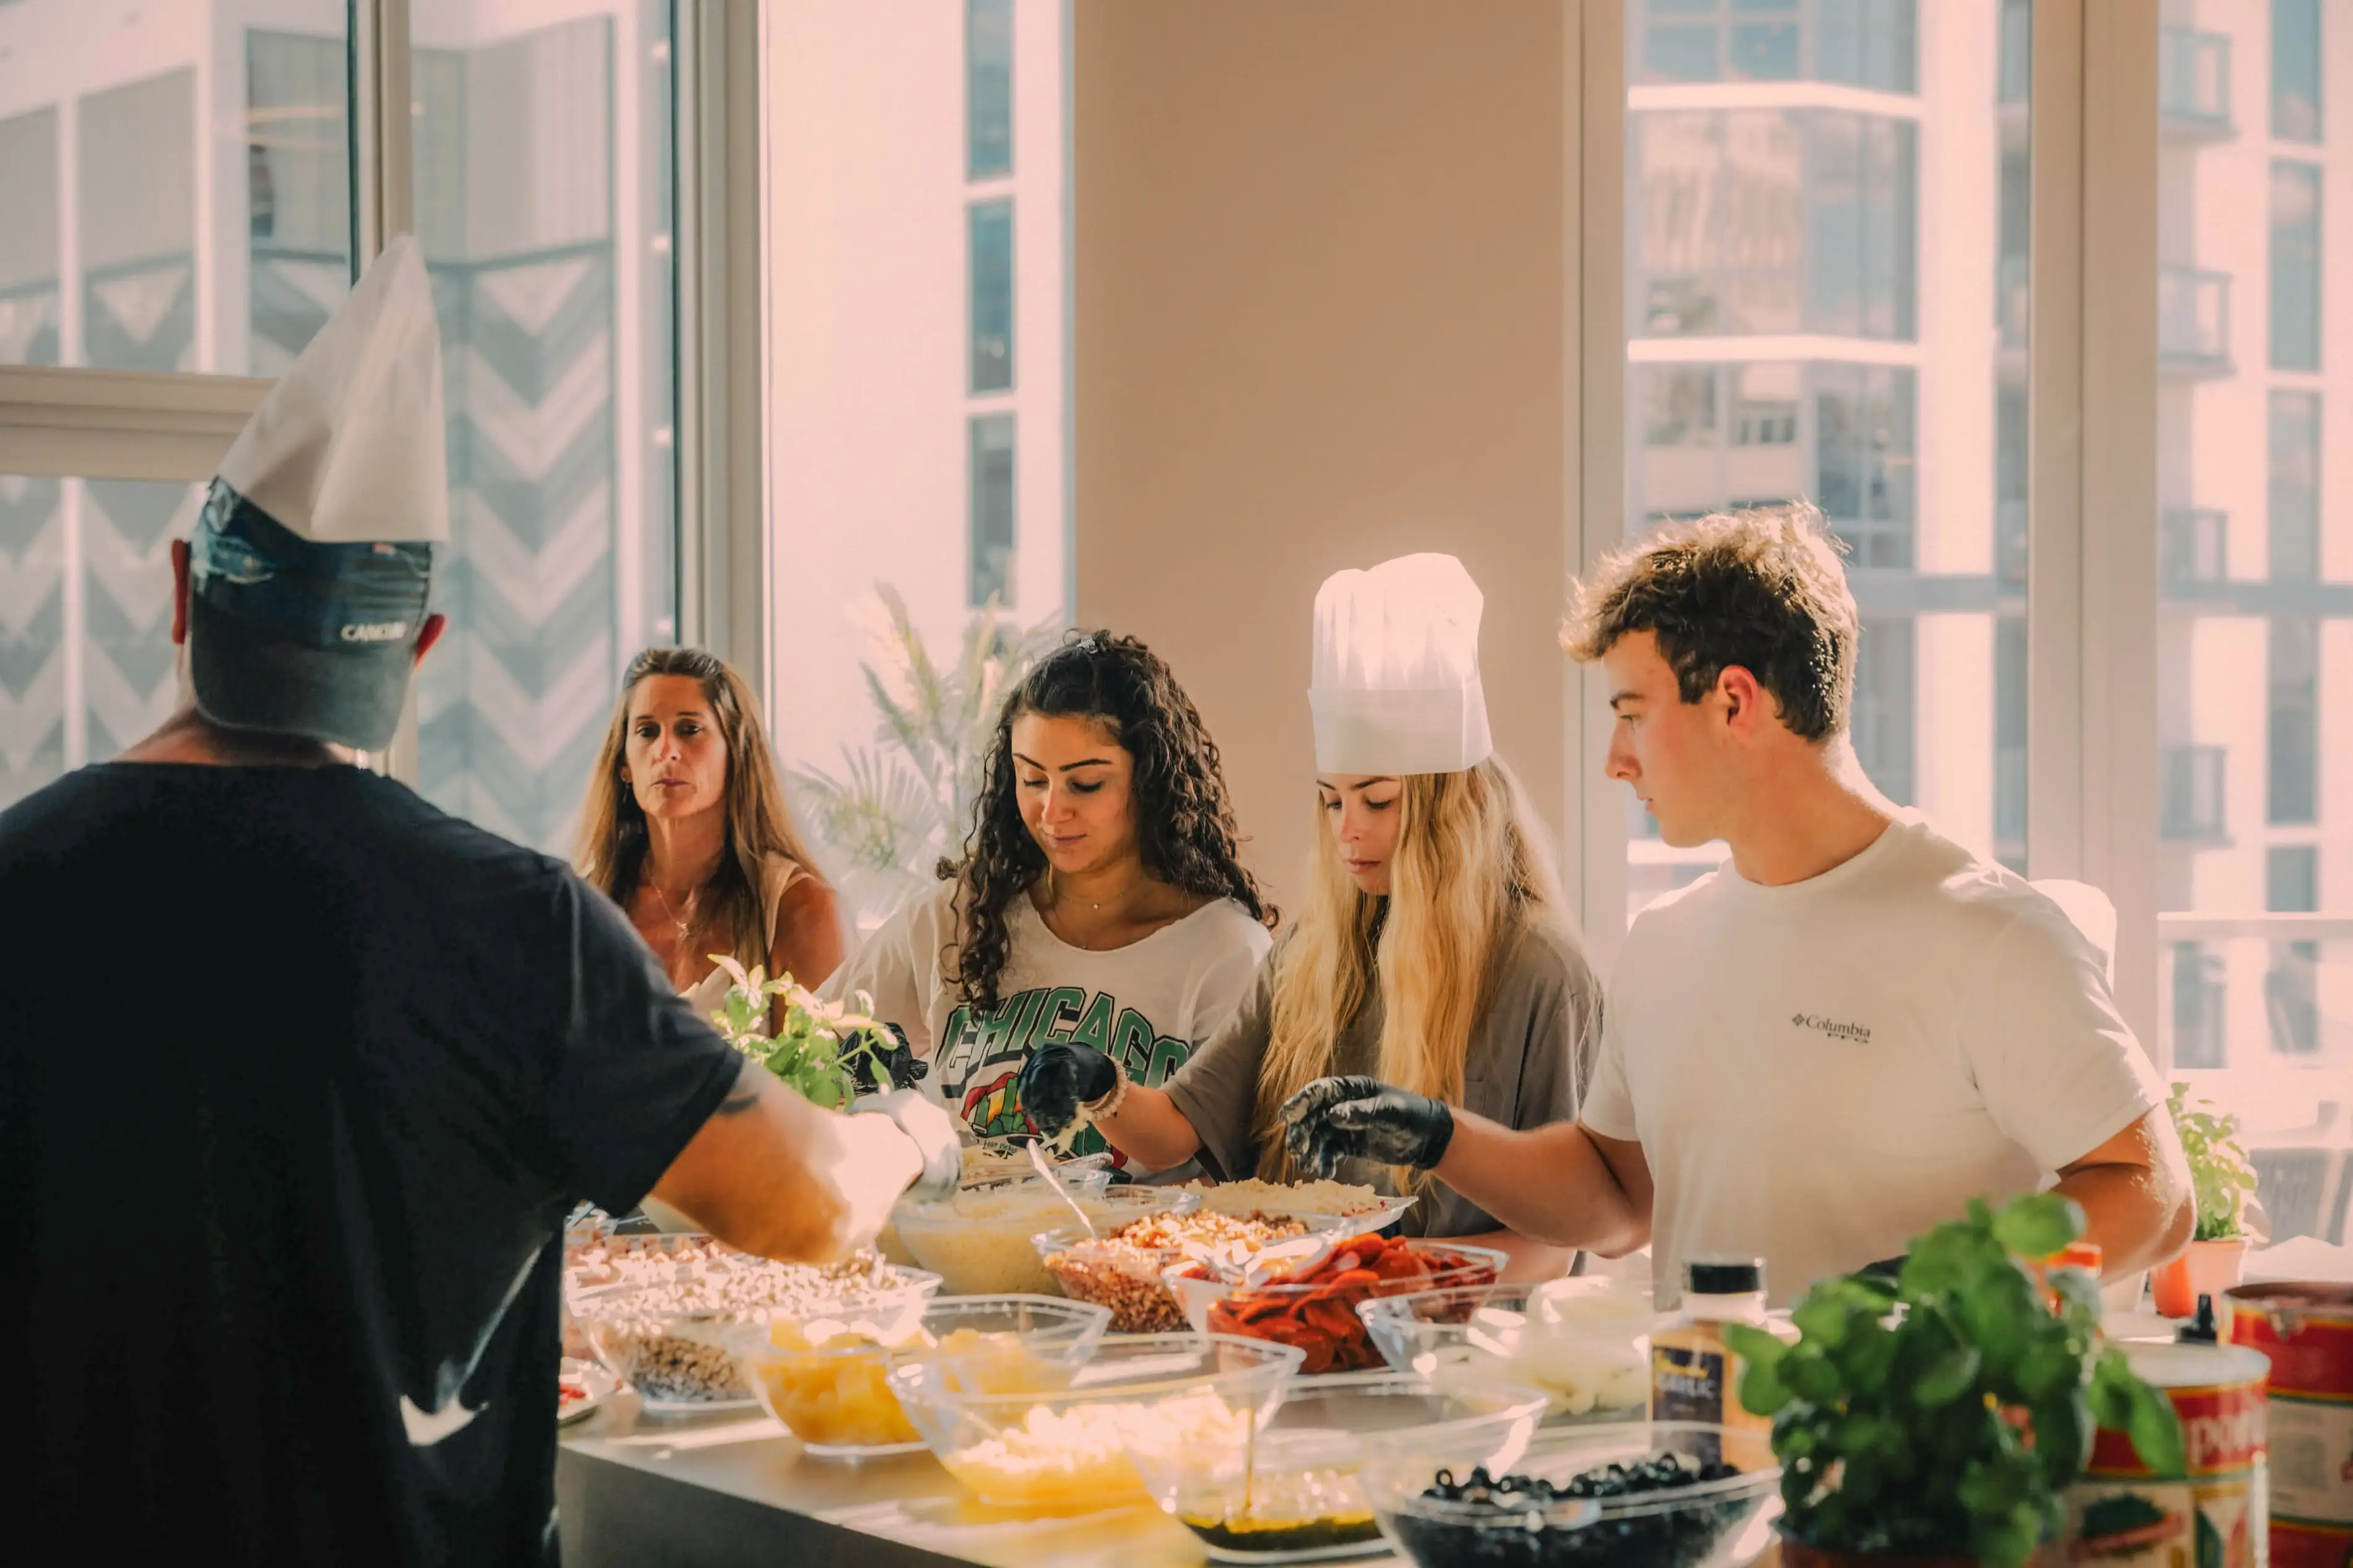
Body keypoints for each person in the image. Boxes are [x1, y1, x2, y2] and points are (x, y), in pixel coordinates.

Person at [1, 236, 957, 1566]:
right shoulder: (512, 924)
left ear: (180, 590)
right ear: (421, 647)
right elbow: (804, 1206)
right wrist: (913, 1127)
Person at [1279, 506, 2193, 1306]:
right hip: (1698, 1421)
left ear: (1733, 702)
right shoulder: (1663, 942)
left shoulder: (1987, 932)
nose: (1615, 760)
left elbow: (2152, 1192)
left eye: (1631, 713)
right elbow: (1619, 1201)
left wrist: (1941, 1293)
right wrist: (1441, 1135)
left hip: (1898, 1433)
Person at [1019, 556, 1601, 1280]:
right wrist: (1096, 1082)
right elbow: (1175, 1131)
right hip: (1302, 1313)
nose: (1346, 830)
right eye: (1330, 800)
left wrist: (1367, 1275)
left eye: (1377, 802)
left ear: (1455, 804)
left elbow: (1553, 1245)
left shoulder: (1542, 973)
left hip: (1454, 1337)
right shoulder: (1312, 951)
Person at [824, 631, 1276, 1169]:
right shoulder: (958, 915)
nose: (1051, 810)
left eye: (1085, 784)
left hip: (1144, 1227)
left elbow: (1235, 1164)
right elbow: (809, 1043)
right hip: (959, 1222)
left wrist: (1102, 1085)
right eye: (1032, 778)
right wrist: (860, 1083)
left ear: (1151, 781)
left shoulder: (1225, 949)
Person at [577, 646, 846, 1023]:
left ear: (735, 751)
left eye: (689, 730)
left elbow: (818, 1061)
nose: (666, 751)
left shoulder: (798, 908)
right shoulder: (588, 904)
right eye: (647, 731)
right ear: (624, 763)